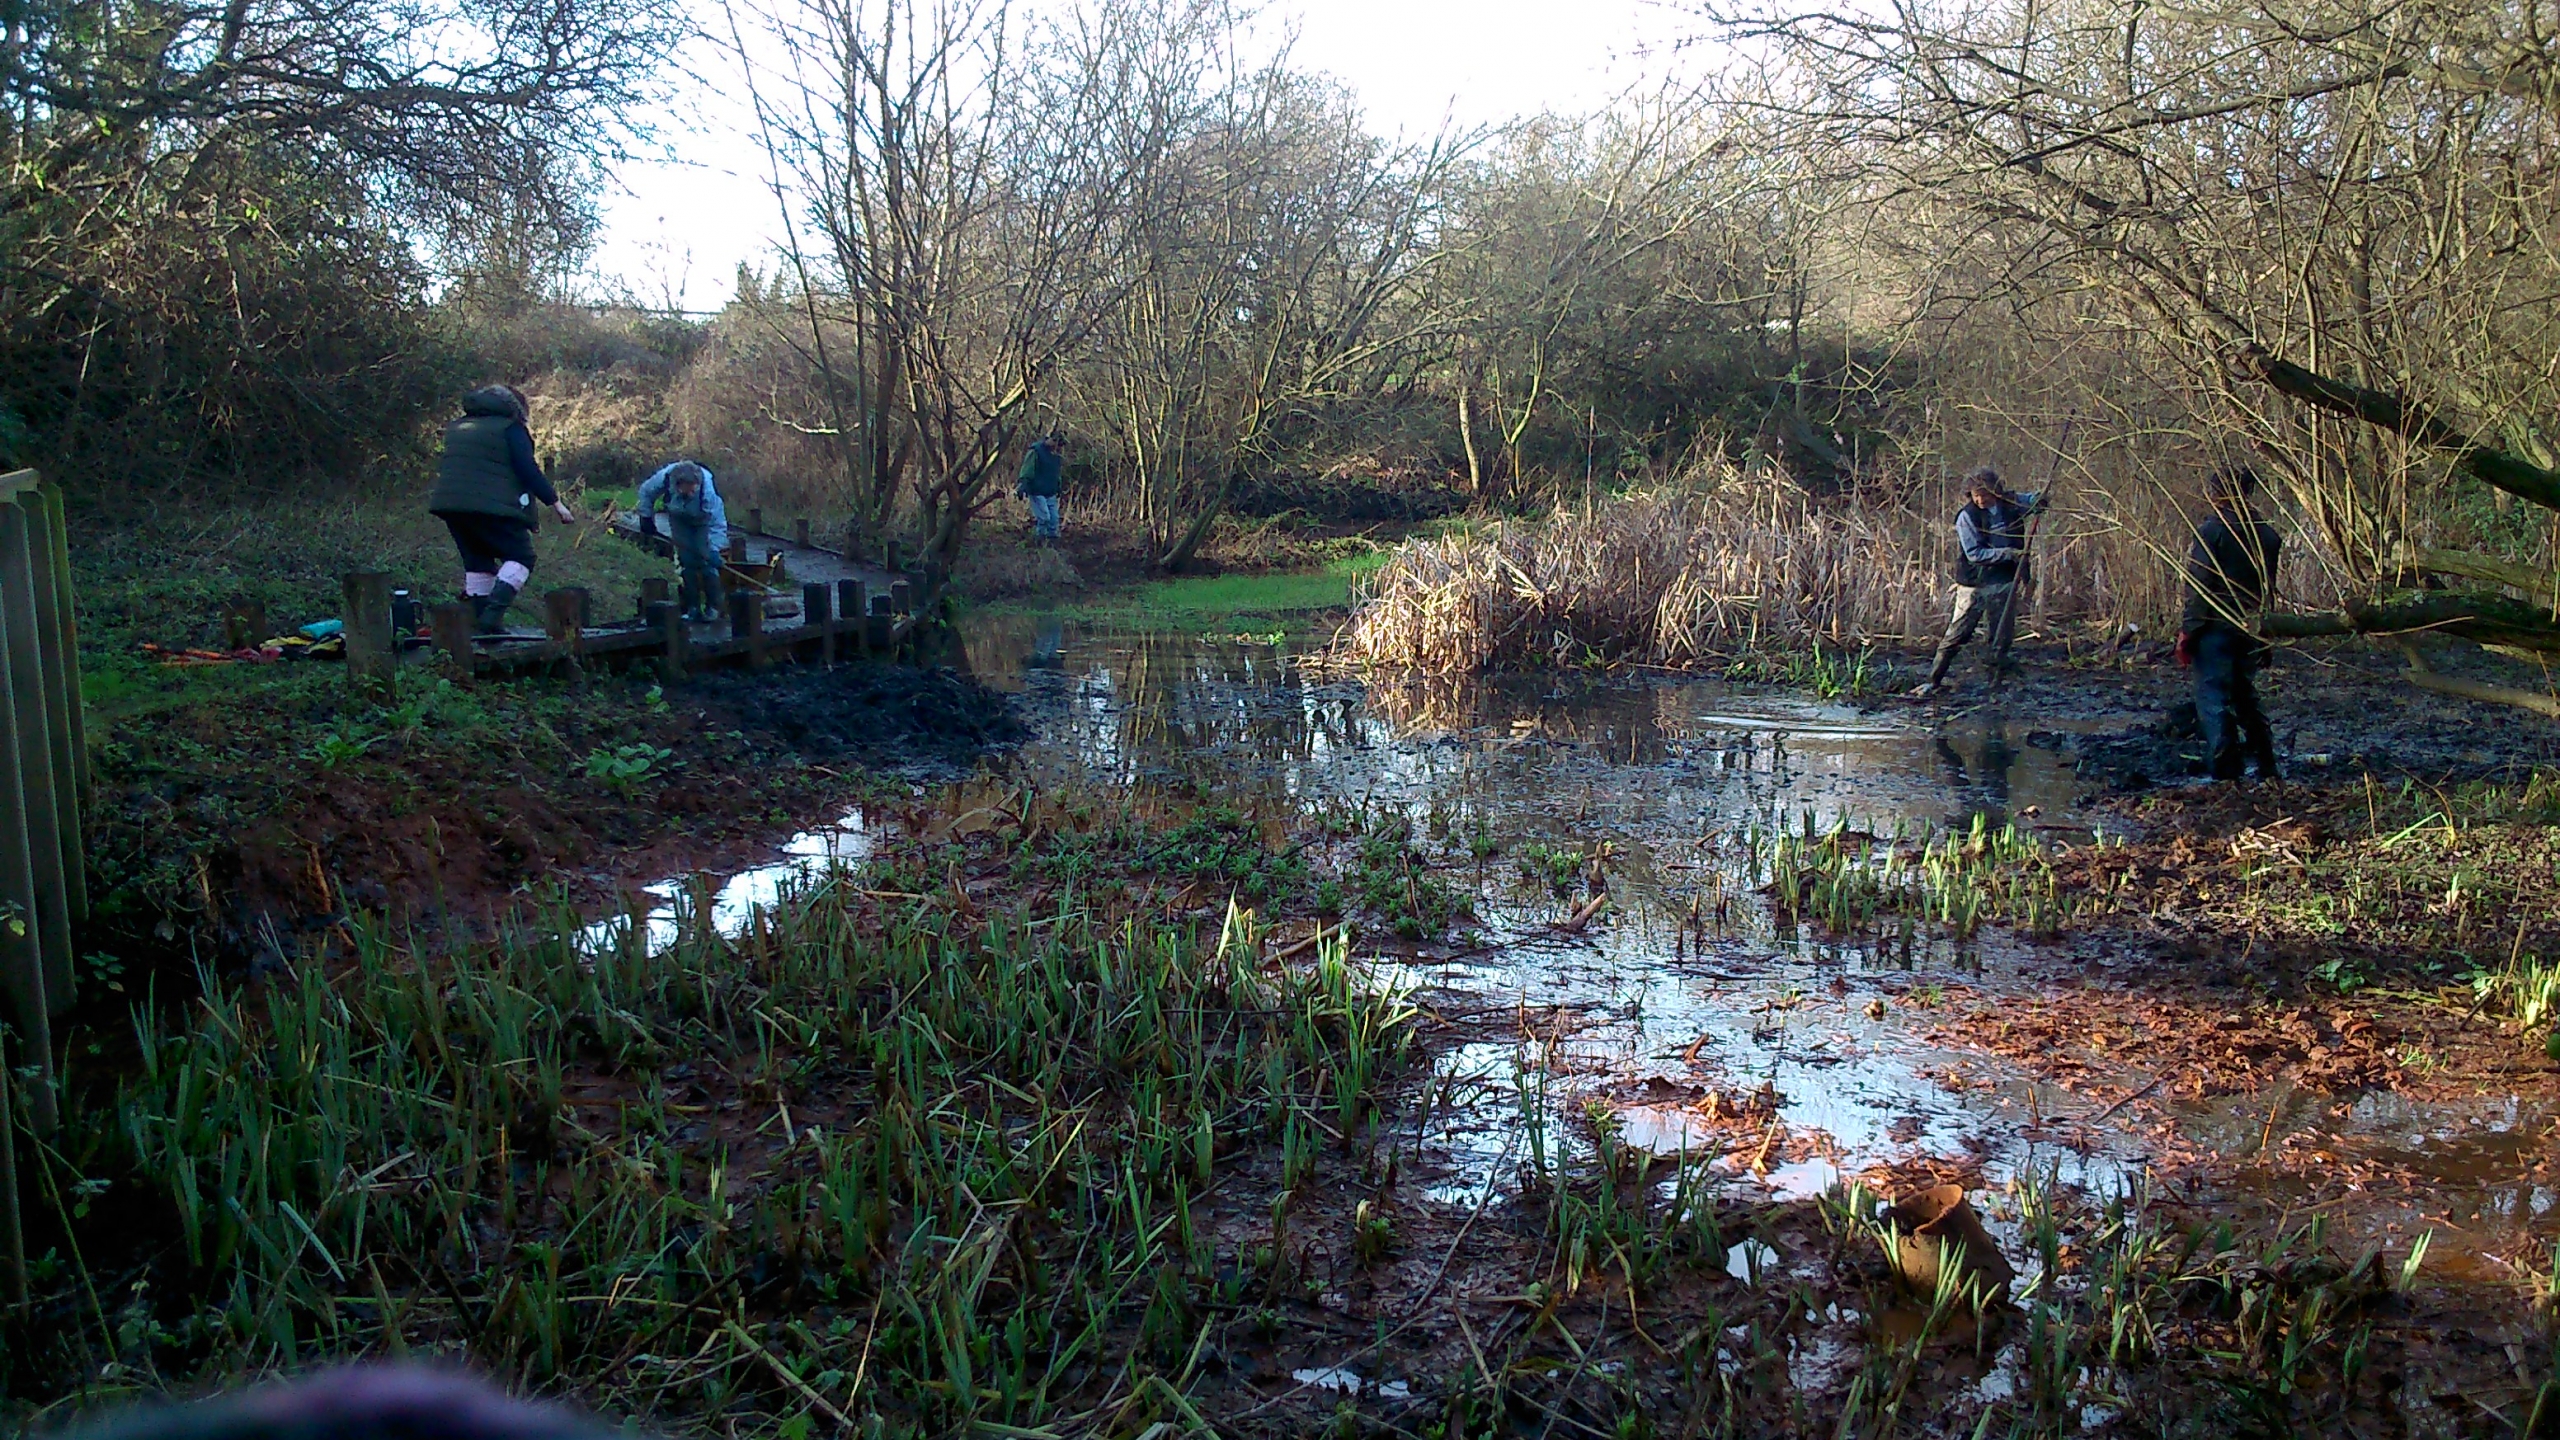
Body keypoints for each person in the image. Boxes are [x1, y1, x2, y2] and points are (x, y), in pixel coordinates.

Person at [427, 384, 574, 633]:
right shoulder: (510, 428)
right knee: (521, 556)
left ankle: (481, 624)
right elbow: (527, 469)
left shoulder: (458, 427)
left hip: (450, 505)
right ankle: (492, 616)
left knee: (478, 562)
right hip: (491, 507)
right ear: (517, 408)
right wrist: (555, 503)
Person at [2180, 463, 2283, 781]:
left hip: (2215, 627)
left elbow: (2200, 585)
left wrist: (2188, 630)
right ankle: (2266, 762)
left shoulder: (2212, 531)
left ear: (2217, 494)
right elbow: (2268, 588)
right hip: (2251, 626)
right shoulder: (2267, 534)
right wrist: (2266, 635)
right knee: (2244, 694)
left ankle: (2225, 770)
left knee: (2213, 697)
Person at [1912, 466, 2046, 697]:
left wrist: (2040, 500)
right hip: (1974, 585)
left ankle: (1996, 684)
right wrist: (2009, 553)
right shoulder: (1967, 517)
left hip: (2004, 581)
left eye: (1984, 495)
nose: (1980, 500)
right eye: (1976, 496)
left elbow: (2031, 501)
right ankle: (1933, 680)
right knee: (1957, 634)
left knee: (2001, 635)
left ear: (1996, 492)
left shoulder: (2011, 504)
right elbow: (1974, 553)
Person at [635, 460, 729, 621]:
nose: (692, 493)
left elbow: (717, 522)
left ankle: (713, 607)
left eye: (694, 489)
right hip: (679, 518)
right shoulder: (665, 477)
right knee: (687, 562)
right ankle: (692, 608)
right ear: (677, 485)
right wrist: (646, 517)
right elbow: (645, 492)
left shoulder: (708, 492)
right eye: (687, 490)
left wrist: (714, 548)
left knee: (706, 562)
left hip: (703, 521)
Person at [1017, 431, 1064, 541]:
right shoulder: (1035, 451)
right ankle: (1039, 540)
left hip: (1050, 491)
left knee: (1054, 520)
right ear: (1050, 439)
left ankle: (1052, 543)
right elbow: (1027, 469)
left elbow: (1056, 473)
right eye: (1057, 442)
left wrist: (1058, 486)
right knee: (1044, 517)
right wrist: (1023, 484)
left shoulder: (1056, 456)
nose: (1058, 446)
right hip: (1037, 490)